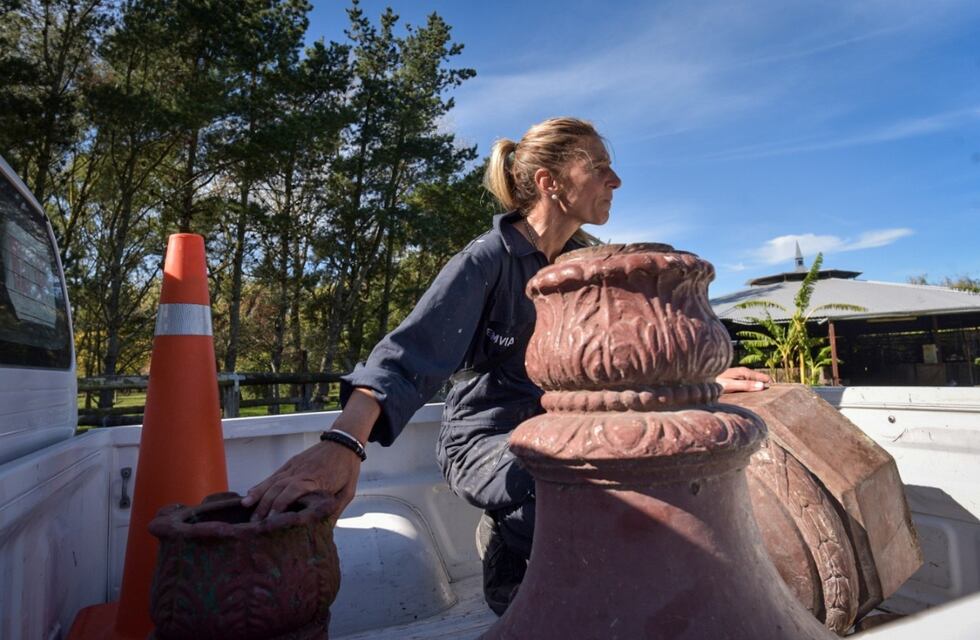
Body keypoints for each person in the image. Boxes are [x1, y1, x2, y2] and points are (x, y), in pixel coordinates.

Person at [242, 116, 770, 614]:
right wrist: (343, 443)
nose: (617, 179)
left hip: (563, 431)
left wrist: (706, 379)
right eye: (599, 166)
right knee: (575, 497)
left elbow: (621, 352)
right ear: (550, 182)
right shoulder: (485, 260)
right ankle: (511, 552)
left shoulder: (587, 265)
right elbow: (406, 357)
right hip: (488, 441)